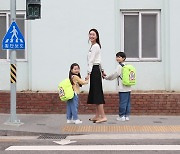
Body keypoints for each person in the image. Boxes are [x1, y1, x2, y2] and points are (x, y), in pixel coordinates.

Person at [86, 28, 107, 123]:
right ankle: (97, 115)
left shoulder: (95, 46)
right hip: (96, 69)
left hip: (94, 70)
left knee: (97, 93)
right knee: (95, 93)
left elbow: (92, 61)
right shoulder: (94, 46)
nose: (91, 36)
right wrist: (102, 70)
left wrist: (88, 73)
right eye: (90, 34)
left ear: (97, 36)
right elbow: (100, 59)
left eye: (93, 34)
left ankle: (103, 116)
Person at [104, 52, 131, 121]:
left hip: (122, 87)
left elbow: (114, 75)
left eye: (119, 57)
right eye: (117, 57)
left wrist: (106, 77)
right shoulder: (127, 66)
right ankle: (126, 116)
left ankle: (121, 116)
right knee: (127, 102)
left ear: (123, 58)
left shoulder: (119, 66)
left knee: (122, 102)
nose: (117, 58)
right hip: (128, 87)